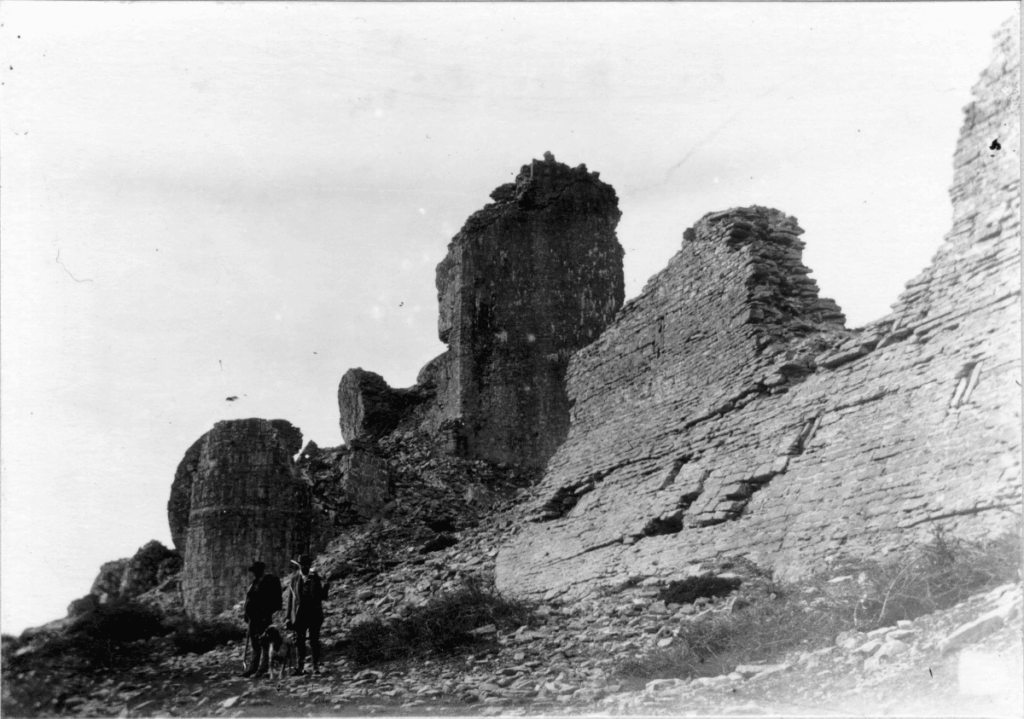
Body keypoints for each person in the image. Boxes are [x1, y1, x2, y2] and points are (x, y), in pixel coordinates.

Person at [286, 553, 329, 675]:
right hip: (299, 615)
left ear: (310, 565)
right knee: (299, 641)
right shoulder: (294, 579)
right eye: (302, 565)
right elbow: (291, 600)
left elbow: (323, 597)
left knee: (314, 641)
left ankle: (315, 667)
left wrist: (325, 587)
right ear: (299, 566)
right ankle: (300, 668)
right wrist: (288, 617)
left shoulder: (315, 578)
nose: (305, 567)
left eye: (307, 565)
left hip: (314, 614)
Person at [242, 560, 282, 677]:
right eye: (253, 571)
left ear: (261, 570)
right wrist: (246, 614)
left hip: (263, 617)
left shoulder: (267, 582)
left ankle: (263, 668)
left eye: (256, 570)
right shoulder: (254, 582)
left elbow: (271, 601)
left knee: (264, 642)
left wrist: (266, 614)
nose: (254, 573)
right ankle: (252, 668)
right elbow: (249, 600)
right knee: (255, 643)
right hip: (253, 618)